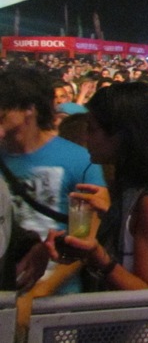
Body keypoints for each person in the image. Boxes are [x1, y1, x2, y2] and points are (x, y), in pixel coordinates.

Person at [48, 82, 148, 289]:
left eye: (92, 129)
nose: (86, 137)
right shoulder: (131, 191)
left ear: (121, 135)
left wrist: (98, 257)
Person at [0, 67, 106, 297]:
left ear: (29, 109)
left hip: (58, 298)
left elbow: (85, 237)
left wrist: (41, 291)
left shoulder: (80, 161)